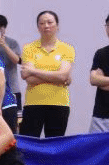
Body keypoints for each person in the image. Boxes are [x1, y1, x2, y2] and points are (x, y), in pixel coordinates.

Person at [19, 10, 75, 138]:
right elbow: (29, 80)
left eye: (50, 22)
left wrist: (33, 71)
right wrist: (58, 77)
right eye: (42, 23)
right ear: (38, 27)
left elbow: (63, 76)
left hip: (59, 103)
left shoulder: (67, 49)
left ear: (57, 25)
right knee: (29, 143)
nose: (46, 26)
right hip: (33, 103)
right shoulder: (29, 48)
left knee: (55, 144)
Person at [0, 15, 23, 113]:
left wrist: (4, 45)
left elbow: (17, 60)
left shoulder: (12, 43)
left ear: (5, 28)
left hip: (13, 89)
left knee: (14, 118)